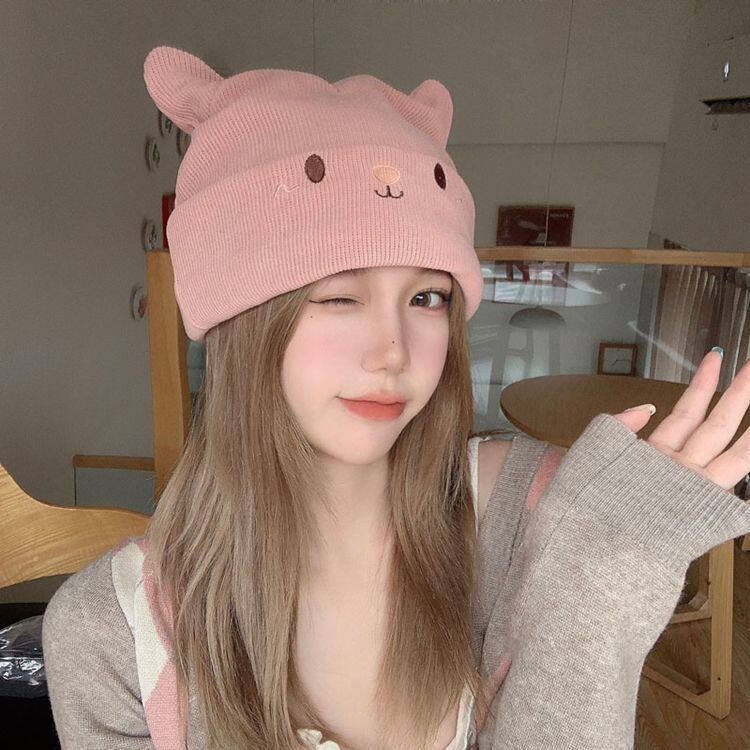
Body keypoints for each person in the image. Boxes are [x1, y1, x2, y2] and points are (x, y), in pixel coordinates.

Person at [41, 46, 750, 750]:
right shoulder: (110, 634)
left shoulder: (536, 518)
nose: (393, 352)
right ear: (243, 326)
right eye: (338, 296)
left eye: (426, 297)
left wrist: (602, 576)